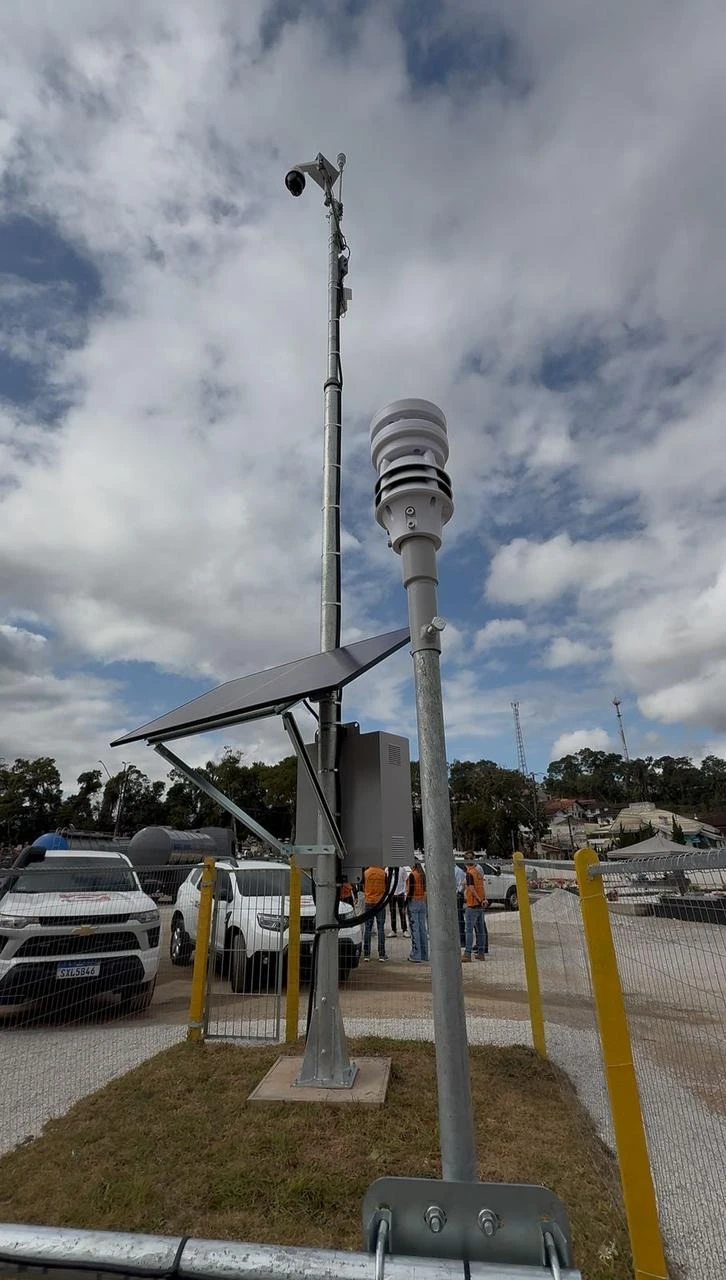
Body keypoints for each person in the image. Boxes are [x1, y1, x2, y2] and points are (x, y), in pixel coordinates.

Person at [462, 850, 488, 963]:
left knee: (468, 930)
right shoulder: (478, 872)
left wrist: (478, 899)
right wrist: (483, 899)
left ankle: (467, 954)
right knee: (480, 930)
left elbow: (471, 889)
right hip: (480, 906)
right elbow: (481, 887)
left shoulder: (469, 873)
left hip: (472, 905)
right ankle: (481, 953)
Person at [362, 864, 388, 962]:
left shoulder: (366, 873)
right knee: (381, 928)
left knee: (367, 928)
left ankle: (366, 954)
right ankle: (381, 954)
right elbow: (387, 887)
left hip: (369, 902)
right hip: (380, 903)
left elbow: (363, 886)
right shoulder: (383, 873)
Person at [406, 857, 428, 962]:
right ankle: (424, 954)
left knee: (415, 930)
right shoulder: (422, 875)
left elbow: (410, 891)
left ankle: (416, 954)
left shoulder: (412, 875)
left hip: (414, 902)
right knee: (422, 929)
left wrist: (405, 904)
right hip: (422, 902)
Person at [388, 865, 409, 937]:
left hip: (400, 893)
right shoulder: (387, 870)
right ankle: (393, 930)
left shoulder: (402, 869)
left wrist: (405, 891)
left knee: (402, 912)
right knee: (392, 913)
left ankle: (405, 930)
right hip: (391, 894)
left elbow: (406, 880)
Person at [454, 860, 466, 947]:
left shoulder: (458, 871)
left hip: (457, 897)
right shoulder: (449, 870)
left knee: (459, 918)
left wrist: (457, 893)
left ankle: (462, 940)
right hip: (450, 898)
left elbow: (461, 886)